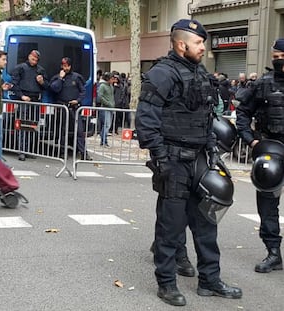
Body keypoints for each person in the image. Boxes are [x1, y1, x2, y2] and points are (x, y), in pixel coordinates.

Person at [135, 19, 242, 306]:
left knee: (207, 224)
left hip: (199, 160)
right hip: (173, 159)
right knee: (171, 225)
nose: (204, 48)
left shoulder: (201, 74)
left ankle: (210, 280)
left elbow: (208, 119)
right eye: (199, 43)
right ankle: (167, 283)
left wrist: (212, 153)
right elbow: (145, 121)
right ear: (181, 44)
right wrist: (160, 157)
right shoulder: (161, 74)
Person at [236, 38, 284, 273]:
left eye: (282, 57)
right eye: (275, 57)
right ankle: (273, 253)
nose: (278, 61)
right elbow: (243, 112)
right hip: (271, 148)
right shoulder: (262, 83)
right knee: (267, 203)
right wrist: (251, 139)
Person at [49, 57, 92, 160]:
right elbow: (54, 89)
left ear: (70, 66)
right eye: (64, 65)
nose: (65, 68)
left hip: (74, 108)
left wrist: (77, 100)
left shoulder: (76, 77)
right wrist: (60, 78)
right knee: (63, 131)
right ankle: (62, 152)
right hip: (63, 108)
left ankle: (83, 153)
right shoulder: (57, 78)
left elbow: (83, 91)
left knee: (79, 132)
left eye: (67, 65)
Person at [11, 50, 48, 161]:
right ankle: (22, 150)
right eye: (33, 58)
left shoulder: (40, 70)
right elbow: (14, 84)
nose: (34, 60)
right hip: (24, 100)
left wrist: (42, 82)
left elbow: (47, 85)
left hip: (35, 100)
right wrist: (22, 96)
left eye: (36, 59)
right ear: (29, 56)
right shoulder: (20, 68)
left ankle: (29, 149)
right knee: (22, 126)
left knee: (33, 126)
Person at [97, 72, 115, 147]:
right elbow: (100, 97)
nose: (113, 80)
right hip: (105, 108)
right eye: (112, 79)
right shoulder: (102, 86)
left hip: (110, 107)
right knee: (106, 125)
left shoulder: (111, 86)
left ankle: (104, 140)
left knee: (108, 125)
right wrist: (108, 103)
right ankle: (103, 141)